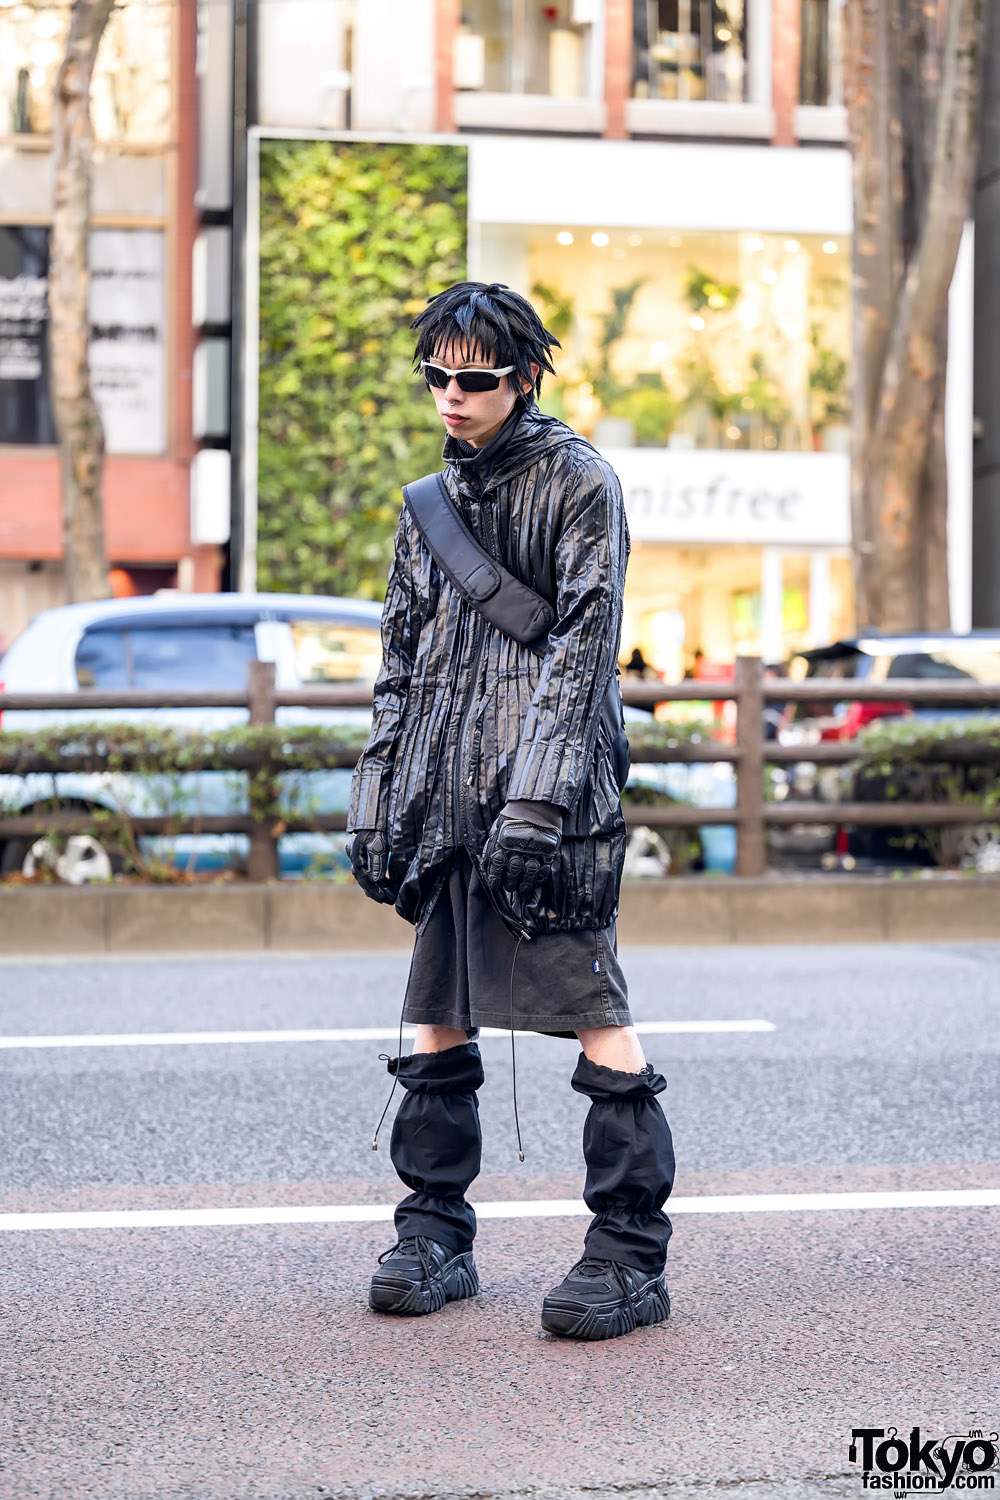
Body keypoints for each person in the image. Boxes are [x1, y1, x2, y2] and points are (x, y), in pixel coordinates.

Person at [347, 281, 675, 1342]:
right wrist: (375, 801)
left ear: (522, 375)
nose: (451, 394)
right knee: (436, 1013)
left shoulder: (581, 480)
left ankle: (628, 1256)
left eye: (474, 377)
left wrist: (532, 805)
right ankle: (432, 1232)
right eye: (436, 376)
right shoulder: (425, 503)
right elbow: (398, 662)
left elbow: (583, 652)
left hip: (551, 803)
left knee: (595, 1012)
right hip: (444, 799)